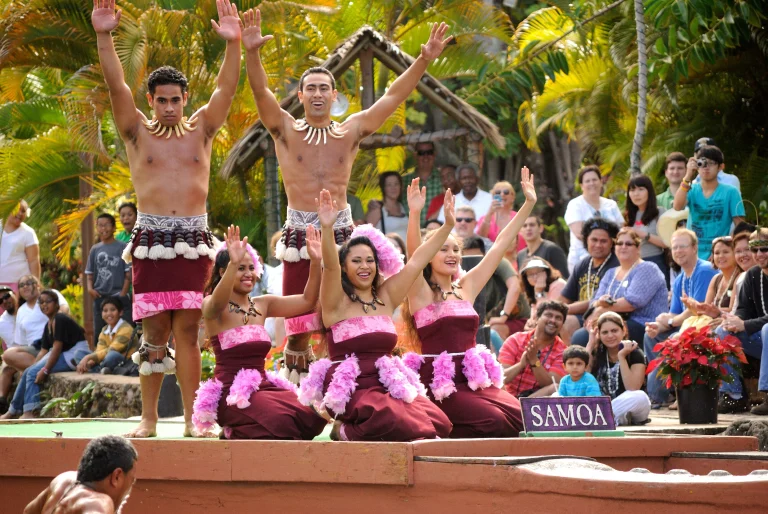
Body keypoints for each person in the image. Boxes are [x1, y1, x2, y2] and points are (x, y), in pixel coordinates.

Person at [243, 10, 452, 378]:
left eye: (325, 88)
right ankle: (299, 401)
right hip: (299, 235)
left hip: (342, 236)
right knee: (299, 330)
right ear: (301, 94)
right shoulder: (285, 130)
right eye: (312, 88)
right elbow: (261, 93)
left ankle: (345, 392)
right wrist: (252, 52)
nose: (318, 93)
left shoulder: (350, 131)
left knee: (341, 321)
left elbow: (391, 98)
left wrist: (423, 60)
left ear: (334, 95)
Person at [92, 0, 242, 437]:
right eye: (162, 101)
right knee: (154, 332)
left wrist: (233, 43)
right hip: (152, 241)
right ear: (152, 101)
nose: (170, 107)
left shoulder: (203, 129)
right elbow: (117, 84)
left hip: (194, 240)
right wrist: (104, 36)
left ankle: (196, 422)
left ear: (185, 99)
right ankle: (149, 419)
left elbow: (226, 91)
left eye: (176, 100)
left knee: (189, 333)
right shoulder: (137, 131)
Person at [299, 187, 454, 441]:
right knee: (389, 417)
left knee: (439, 424)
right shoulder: (335, 302)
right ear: (345, 266)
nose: (364, 266)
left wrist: (447, 226)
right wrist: (327, 229)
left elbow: (417, 261)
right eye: (357, 261)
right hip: (353, 386)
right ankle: (346, 430)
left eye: (370, 260)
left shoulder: (386, 296)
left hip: (388, 382)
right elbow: (329, 266)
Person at [399, 168, 536, 438]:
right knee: (494, 422)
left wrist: (528, 204)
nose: (452, 255)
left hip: (474, 379)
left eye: (455, 249)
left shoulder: (466, 287)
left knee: (523, 417)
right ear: (429, 256)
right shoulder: (420, 292)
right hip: (442, 384)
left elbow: (498, 247)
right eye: (443, 249)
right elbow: (414, 254)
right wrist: (415, 213)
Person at [191, 226, 327, 439]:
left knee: (306, 417)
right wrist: (232, 263)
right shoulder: (213, 307)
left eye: (251, 268)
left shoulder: (263, 304)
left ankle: (242, 429)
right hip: (232, 394)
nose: (248, 274)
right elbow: (214, 304)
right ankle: (236, 427)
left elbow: (307, 301)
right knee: (280, 420)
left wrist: (316, 262)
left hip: (263, 387)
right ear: (222, 272)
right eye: (240, 268)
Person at [643, 229, 718, 408]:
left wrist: (670, 322)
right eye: (674, 247)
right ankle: (667, 391)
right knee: (650, 335)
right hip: (685, 326)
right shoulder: (680, 279)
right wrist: (658, 325)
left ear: (694, 248)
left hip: (703, 326)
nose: (678, 251)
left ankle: (657, 394)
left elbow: (696, 310)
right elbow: (675, 314)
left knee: (673, 339)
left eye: (682, 246)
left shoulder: (704, 270)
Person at [2, 290, 88, 419]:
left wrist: (45, 370)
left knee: (33, 373)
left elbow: (57, 348)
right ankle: (13, 411)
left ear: (57, 304)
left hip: (74, 355)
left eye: (48, 302)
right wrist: (35, 366)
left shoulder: (60, 319)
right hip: (64, 354)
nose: (44, 305)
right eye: (41, 303)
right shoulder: (48, 323)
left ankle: (30, 412)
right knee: (28, 372)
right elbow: (44, 350)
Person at [584, 228, 668, 345]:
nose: (623, 246)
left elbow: (632, 302)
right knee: (579, 333)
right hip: (611, 322)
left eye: (628, 244)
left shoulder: (648, 268)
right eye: (619, 243)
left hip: (643, 324)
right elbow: (594, 300)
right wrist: (599, 303)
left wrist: (601, 310)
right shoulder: (610, 273)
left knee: (586, 337)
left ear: (638, 248)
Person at [717, 228, 768, 415]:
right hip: (762, 340)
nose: (759, 254)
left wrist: (745, 325)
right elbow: (744, 308)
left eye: (764, 249)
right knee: (723, 332)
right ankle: (733, 396)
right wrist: (733, 320)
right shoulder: (753, 274)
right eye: (755, 250)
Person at [24, 435, 137, 514]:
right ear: (116, 476)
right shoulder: (100, 503)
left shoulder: (64, 480)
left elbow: (28, 511)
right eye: (131, 481)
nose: (129, 491)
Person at [674, 145, 745, 260]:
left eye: (711, 163)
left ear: (721, 167)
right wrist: (687, 175)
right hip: (692, 256)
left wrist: (723, 249)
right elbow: (677, 206)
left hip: (719, 257)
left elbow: (740, 225)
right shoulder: (691, 189)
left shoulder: (731, 192)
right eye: (702, 163)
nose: (706, 167)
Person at [558, 218, 620, 344]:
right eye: (594, 240)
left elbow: (596, 301)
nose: (598, 245)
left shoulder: (616, 265)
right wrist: (552, 310)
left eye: (603, 241)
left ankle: (576, 360)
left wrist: (562, 309)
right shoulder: (583, 264)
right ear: (586, 240)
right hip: (580, 315)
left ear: (612, 243)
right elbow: (564, 298)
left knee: (567, 320)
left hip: (603, 315)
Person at [460, 236, 530, 345]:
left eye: (477, 259)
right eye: (468, 260)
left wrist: (503, 316)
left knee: (494, 331)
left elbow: (515, 287)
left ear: (485, 256)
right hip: (487, 322)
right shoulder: (459, 274)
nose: (473, 264)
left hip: (516, 319)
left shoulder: (497, 262)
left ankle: (501, 361)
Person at [586, 312, 651, 425]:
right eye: (605, 332)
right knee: (558, 395)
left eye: (614, 331)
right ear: (599, 335)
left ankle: (604, 417)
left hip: (630, 405)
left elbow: (632, 387)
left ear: (623, 331)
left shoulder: (634, 352)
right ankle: (617, 418)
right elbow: (580, 376)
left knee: (640, 397)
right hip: (600, 405)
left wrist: (622, 356)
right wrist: (591, 342)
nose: (610, 336)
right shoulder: (597, 353)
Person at [499, 301, 569, 398]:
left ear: (562, 324)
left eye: (558, 318)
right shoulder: (515, 340)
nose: (553, 320)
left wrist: (534, 361)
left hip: (534, 402)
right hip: (508, 398)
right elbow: (500, 378)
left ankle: (522, 407)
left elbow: (551, 385)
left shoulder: (563, 352)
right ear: (536, 318)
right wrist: (521, 365)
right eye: (548, 315)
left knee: (555, 388)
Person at [564, 165, 624, 273]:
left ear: (601, 182)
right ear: (582, 185)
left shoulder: (611, 205)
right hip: (583, 260)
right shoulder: (575, 205)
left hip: (612, 259)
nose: (591, 183)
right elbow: (579, 234)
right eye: (587, 181)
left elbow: (622, 230)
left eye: (594, 180)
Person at [86, 213, 132, 337]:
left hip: (119, 296)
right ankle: (100, 355)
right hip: (100, 297)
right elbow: (89, 273)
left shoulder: (123, 247)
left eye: (106, 225)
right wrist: (90, 289)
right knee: (100, 334)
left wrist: (123, 293)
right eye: (100, 225)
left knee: (125, 333)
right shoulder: (95, 249)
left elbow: (128, 272)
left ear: (113, 228)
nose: (103, 228)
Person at [76, 297, 136, 375]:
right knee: (79, 353)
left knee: (112, 355)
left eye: (113, 310)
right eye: (105, 311)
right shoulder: (104, 330)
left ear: (120, 312)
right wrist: (90, 362)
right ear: (102, 314)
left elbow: (112, 350)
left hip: (125, 363)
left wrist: (88, 358)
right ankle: (101, 369)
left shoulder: (126, 329)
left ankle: (97, 370)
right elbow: (99, 351)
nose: (108, 313)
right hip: (105, 359)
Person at [625, 174, 668, 281]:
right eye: (632, 190)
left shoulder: (660, 212)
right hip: (631, 264)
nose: (636, 194)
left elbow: (667, 243)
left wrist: (642, 234)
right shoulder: (626, 216)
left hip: (655, 261)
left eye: (641, 189)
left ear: (649, 191)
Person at [0, 200, 40, 290]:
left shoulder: (28, 232)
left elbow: (34, 260)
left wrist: (36, 284)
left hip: (20, 285)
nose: (20, 213)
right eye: (17, 209)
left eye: (23, 211)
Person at [402, 143, 444, 227]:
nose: (426, 156)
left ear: (434, 154)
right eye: (421, 153)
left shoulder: (443, 178)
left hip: (437, 232)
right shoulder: (403, 181)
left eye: (429, 152)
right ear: (415, 155)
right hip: (409, 233)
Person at [476, 180, 525, 251]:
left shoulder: (519, 216)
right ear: (493, 197)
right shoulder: (486, 218)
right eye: (498, 192)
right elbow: (481, 237)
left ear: (513, 197)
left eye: (506, 192)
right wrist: (489, 213)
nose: (502, 194)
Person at [366, 171, 408, 241]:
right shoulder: (377, 208)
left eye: (396, 184)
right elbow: (366, 233)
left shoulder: (402, 206)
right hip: (385, 250)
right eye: (389, 185)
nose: (393, 188)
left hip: (404, 250)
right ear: (383, 188)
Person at [0, 287, 17, 413]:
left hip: (39, 348)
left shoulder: (28, 308)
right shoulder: (2, 322)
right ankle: (2, 400)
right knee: (6, 367)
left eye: (6, 296)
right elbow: (14, 344)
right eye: (0, 300)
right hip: (16, 353)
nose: (4, 301)